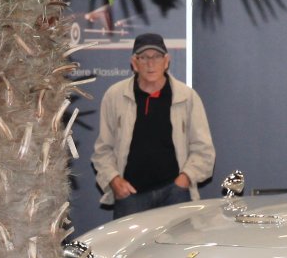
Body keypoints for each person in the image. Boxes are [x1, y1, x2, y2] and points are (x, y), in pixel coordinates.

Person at [92, 32, 215, 219]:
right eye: (144, 57)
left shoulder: (187, 97)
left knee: (178, 241)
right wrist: (114, 180)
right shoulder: (114, 96)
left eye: (156, 56)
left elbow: (204, 150)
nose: (151, 63)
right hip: (130, 196)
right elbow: (103, 150)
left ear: (166, 61)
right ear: (134, 63)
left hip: (175, 193)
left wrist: (184, 180)